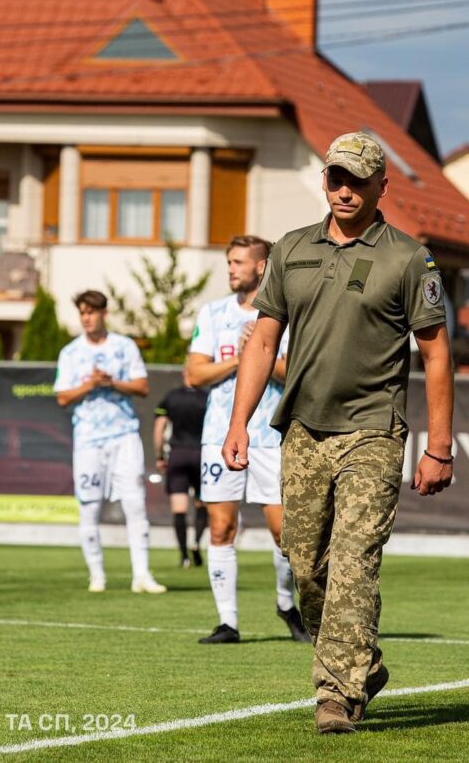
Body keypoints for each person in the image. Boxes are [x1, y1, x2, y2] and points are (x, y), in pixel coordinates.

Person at [223, 131, 455, 735]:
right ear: (324, 182)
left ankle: (336, 695)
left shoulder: (409, 259)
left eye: (357, 179)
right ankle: (363, 662)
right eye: (335, 178)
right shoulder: (292, 250)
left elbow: (435, 355)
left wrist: (439, 446)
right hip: (301, 431)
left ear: (383, 184)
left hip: (374, 432)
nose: (344, 189)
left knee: (354, 562)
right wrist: (237, 422)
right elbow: (264, 341)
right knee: (305, 566)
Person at [186, 235, 308, 646]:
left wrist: (263, 356)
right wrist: (241, 358)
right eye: (229, 262)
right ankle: (228, 622)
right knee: (221, 527)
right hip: (220, 435)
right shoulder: (214, 312)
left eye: (239, 262)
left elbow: (297, 374)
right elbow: (194, 374)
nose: (231, 269)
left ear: (261, 267)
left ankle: (285, 603)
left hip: (270, 437)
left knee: (284, 533)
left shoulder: (287, 313)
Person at [55, 290, 165, 594]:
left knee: (135, 503)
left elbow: (142, 386)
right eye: (82, 313)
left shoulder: (124, 346)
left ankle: (141, 575)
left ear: (104, 313)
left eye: (92, 312)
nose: (87, 318)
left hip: (124, 436)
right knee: (88, 506)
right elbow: (63, 396)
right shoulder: (71, 352)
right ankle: (97, 575)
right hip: (89, 439)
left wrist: (111, 382)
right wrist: (89, 384)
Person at [152, 373, 208, 568]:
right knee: (202, 504)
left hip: (178, 455)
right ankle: (196, 542)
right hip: (202, 454)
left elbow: (159, 428)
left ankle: (184, 555)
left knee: (179, 509)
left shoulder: (172, 397)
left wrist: (160, 456)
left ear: (185, 373)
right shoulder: (207, 397)